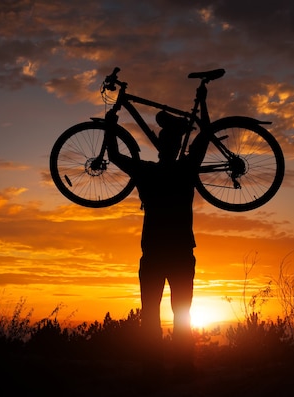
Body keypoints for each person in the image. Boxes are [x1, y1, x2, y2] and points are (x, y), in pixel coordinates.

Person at [104, 83, 212, 373]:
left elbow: (114, 156)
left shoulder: (147, 172)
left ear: (160, 146)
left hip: (152, 254)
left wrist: (110, 127)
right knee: (182, 313)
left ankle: (151, 369)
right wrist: (202, 103)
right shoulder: (185, 169)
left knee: (150, 314)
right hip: (180, 253)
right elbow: (205, 136)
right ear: (177, 146)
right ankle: (183, 369)